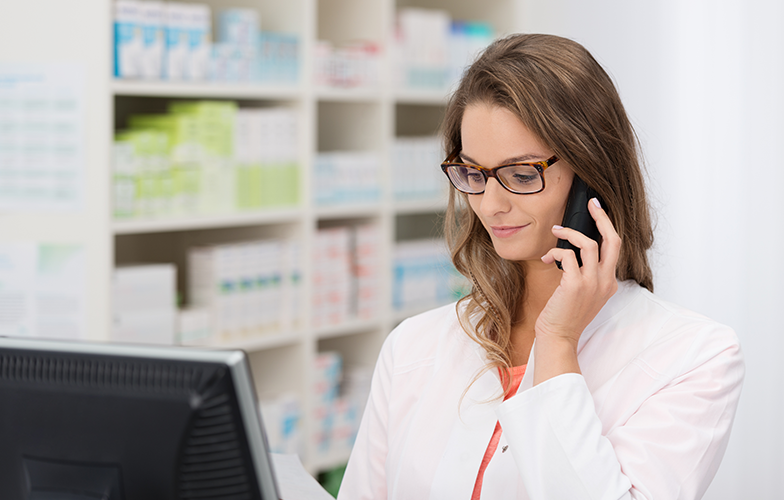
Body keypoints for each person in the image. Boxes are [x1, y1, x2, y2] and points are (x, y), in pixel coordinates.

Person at [337, 33, 744, 500]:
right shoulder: (413, 346)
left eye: (522, 174)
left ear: (591, 178)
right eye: (473, 173)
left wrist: (558, 343)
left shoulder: (694, 357)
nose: (489, 205)